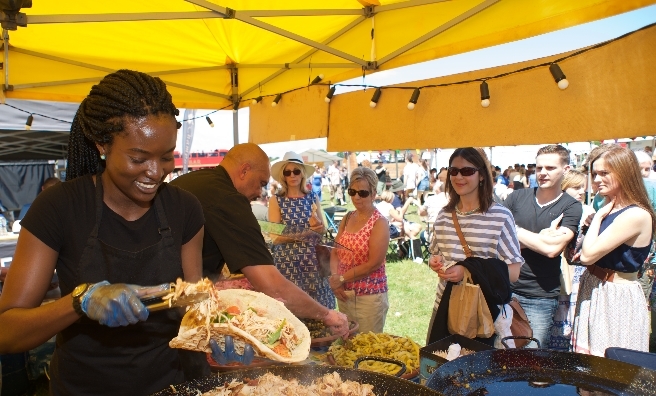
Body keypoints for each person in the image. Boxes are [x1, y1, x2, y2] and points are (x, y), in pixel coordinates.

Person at [0, 70, 206, 395]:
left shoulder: (185, 209)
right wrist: (80, 301)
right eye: (139, 158)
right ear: (102, 145)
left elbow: (193, 302)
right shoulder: (59, 207)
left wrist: (221, 331)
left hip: (170, 384)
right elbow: (7, 332)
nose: (156, 172)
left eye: (167, 157)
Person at [170, 144, 349, 337]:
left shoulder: (195, 180)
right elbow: (272, 285)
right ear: (244, 170)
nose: (259, 193)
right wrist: (326, 314)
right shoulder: (229, 199)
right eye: (261, 183)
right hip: (168, 310)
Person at [426, 148, 523, 347]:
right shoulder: (443, 216)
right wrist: (435, 263)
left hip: (484, 313)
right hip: (445, 308)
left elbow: (513, 272)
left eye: (467, 171)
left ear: (481, 176)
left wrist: (468, 270)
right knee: (439, 371)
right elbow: (437, 256)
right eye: (453, 171)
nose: (459, 176)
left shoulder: (500, 216)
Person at [573, 145, 655, 356]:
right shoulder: (612, 207)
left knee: (611, 368)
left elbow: (588, 255)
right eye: (594, 174)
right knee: (589, 367)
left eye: (604, 173)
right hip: (595, 287)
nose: (597, 179)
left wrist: (598, 217)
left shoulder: (635, 214)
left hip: (615, 297)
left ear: (624, 172)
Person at [503, 145, 583, 349]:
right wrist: (541, 238)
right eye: (538, 168)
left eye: (550, 168)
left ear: (565, 170)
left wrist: (515, 231)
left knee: (532, 360)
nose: (542, 173)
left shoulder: (571, 206)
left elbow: (552, 250)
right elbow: (498, 241)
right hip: (504, 289)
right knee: (501, 354)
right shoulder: (516, 198)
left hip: (540, 297)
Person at [268, 152, 335, 309]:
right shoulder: (276, 200)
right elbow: (275, 237)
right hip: (288, 263)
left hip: (313, 262)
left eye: (296, 171)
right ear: (283, 176)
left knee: (319, 307)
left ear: (302, 173)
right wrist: (308, 232)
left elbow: (322, 229)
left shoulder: (312, 197)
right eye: (288, 172)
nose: (292, 175)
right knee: (293, 308)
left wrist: (318, 227)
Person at [329, 167, 390, 333]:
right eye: (352, 191)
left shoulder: (379, 223)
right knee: (346, 344)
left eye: (362, 193)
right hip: (344, 294)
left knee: (366, 348)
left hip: (369, 298)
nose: (356, 196)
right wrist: (336, 280)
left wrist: (340, 278)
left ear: (373, 193)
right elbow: (335, 251)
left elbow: (373, 264)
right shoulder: (348, 217)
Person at [547, 170, 596, 351]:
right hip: (558, 272)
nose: (581, 191)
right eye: (576, 187)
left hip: (578, 273)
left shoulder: (588, 211)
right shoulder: (555, 210)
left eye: (583, 187)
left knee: (574, 315)